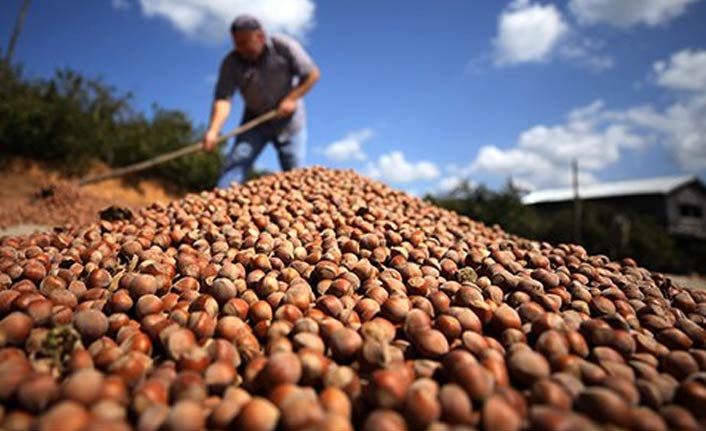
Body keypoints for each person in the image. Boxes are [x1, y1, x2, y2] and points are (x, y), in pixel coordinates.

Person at [201, 14, 320, 188]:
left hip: (290, 121)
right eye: (237, 43)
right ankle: (219, 202)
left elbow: (312, 74)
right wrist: (213, 130)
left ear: (260, 36)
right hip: (255, 120)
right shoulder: (231, 63)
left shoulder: (284, 46)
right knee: (236, 163)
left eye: (245, 43)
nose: (240, 48)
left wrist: (291, 99)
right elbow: (223, 100)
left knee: (294, 174)